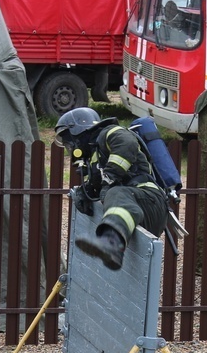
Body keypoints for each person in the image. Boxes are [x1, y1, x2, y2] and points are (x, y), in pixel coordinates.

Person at [54, 107, 169, 271]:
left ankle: (111, 244)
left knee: (116, 192)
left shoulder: (110, 132)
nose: (69, 147)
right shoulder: (96, 156)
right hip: (139, 205)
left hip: (150, 199)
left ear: (78, 131)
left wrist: (109, 177)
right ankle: (112, 248)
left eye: (68, 140)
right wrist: (85, 191)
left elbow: (127, 144)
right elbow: (98, 186)